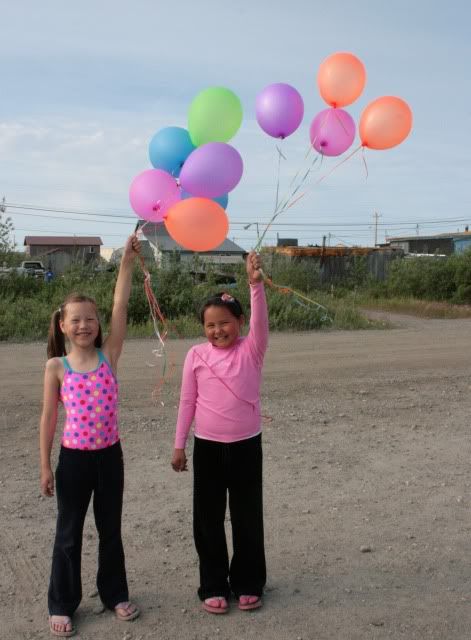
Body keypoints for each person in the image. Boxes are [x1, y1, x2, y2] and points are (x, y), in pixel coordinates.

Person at [40, 235, 141, 637]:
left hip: (109, 458)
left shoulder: (109, 355)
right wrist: (45, 465)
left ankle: (114, 593)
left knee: (110, 530)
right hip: (74, 461)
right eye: (76, 320)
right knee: (68, 534)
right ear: (63, 325)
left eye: (90, 319)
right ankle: (62, 603)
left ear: (99, 325)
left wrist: (127, 263)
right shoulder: (56, 367)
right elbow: (48, 418)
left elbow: (120, 304)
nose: (84, 325)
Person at [171, 251, 268, 614]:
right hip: (207, 448)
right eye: (210, 325)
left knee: (247, 517)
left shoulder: (252, 349)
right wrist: (179, 445)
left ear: (240, 322)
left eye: (225, 323)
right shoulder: (196, 355)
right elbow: (186, 402)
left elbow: (261, 320)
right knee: (207, 520)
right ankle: (212, 584)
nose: (217, 331)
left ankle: (247, 582)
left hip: (246, 447)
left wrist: (255, 284)